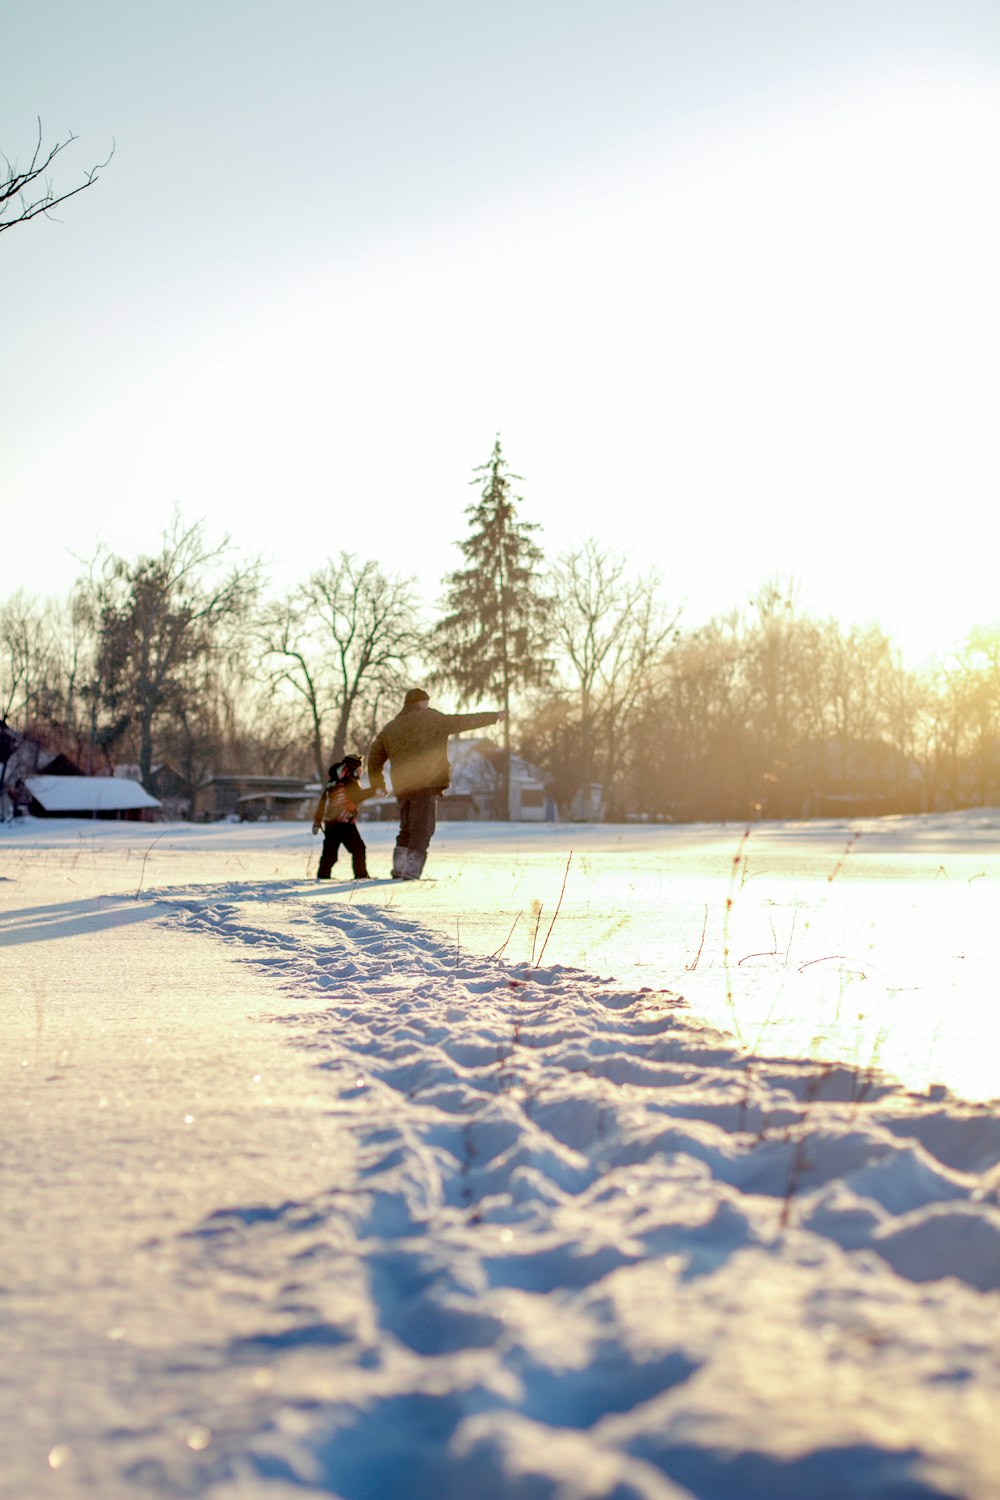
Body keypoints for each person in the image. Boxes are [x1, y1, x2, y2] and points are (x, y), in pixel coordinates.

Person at [367, 688, 505, 879]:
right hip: (426, 782)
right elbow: (463, 721)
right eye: (426, 702)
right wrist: (493, 716)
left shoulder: (392, 727)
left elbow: (374, 757)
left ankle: (399, 868)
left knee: (406, 828)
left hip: (403, 786)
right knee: (422, 828)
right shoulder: (431, 719)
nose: (428, 706)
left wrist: (378, 783)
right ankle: (411, 871)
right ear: (420, 703)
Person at [311, 755, 376, 880]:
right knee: (359, 849)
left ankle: (322, 876)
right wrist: (373, 790)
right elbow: (356, 797)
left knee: (330, 854)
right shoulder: (350, 782)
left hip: (330, 823)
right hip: (344, 823)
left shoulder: (333, 782)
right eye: (360, 768)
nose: (361, 771)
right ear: (352, 769)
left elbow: (322, 802)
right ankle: (361, 876)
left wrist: (317, 821)